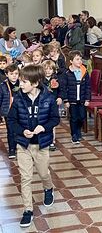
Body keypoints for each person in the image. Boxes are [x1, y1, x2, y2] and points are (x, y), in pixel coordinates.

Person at [7, 64, 60, 228]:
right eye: (20, 81)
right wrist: (23, 132)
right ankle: (27, 211)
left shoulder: (49, 98)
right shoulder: (18, 99)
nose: (20, 84)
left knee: (44, 173)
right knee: (26, 178)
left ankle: (48, 188)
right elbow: (11, 120)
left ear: (35, 83)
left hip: (41, 145)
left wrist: (43, 127)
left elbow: (55, 119)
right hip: (23, 146)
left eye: (24, 81)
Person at [62, 50, 91, 144]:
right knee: (74, 118)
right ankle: (74, 134)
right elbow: (64, 87)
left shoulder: (84, 72)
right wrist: (66, 100)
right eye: (77, 59)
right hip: (72, 100)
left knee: (82, 117)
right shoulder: (67, 73)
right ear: (71, 61)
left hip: (82, 99)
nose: (80, 61)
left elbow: (88, 86)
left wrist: (87, 98)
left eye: (80, 59)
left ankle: (78, 130)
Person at [42, 60, 63, 151]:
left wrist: (60, 97)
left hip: (53, 104)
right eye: (46, 69)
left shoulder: (57, 79)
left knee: (52, 123)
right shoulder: (40, 80)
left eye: (50, 69)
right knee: (42, 122)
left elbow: (61, 90)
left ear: (53, 70)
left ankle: (51, 141)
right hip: (43, 104)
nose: (48, 71)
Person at [0, 63, 20, 158]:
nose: (14, 76)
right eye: (11, 74)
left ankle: (22, 148)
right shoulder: (3, 85)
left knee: (21, 130)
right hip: (8, 112)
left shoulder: (22, 83)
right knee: (11, 131)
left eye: (16, 73)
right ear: (7, 74)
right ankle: (12, 149)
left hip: (21, 111)